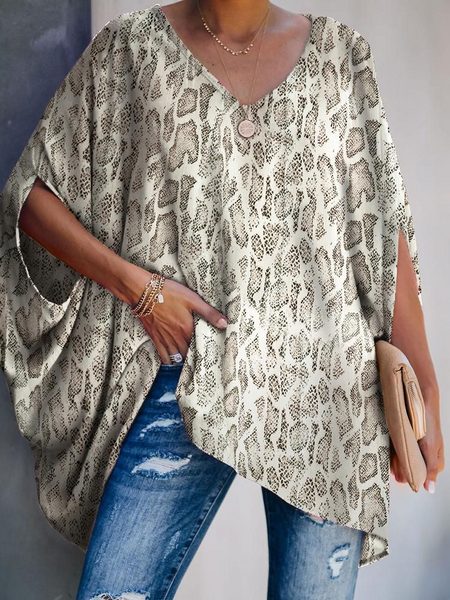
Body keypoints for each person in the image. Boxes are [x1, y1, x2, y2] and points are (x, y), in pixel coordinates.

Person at [0, 1, 444, 599]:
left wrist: (424, 382)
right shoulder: (132, 50)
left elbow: (382, 227)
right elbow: (31, 197)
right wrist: (142, 291)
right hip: (188, 372)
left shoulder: (339, 57)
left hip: (328, 393)